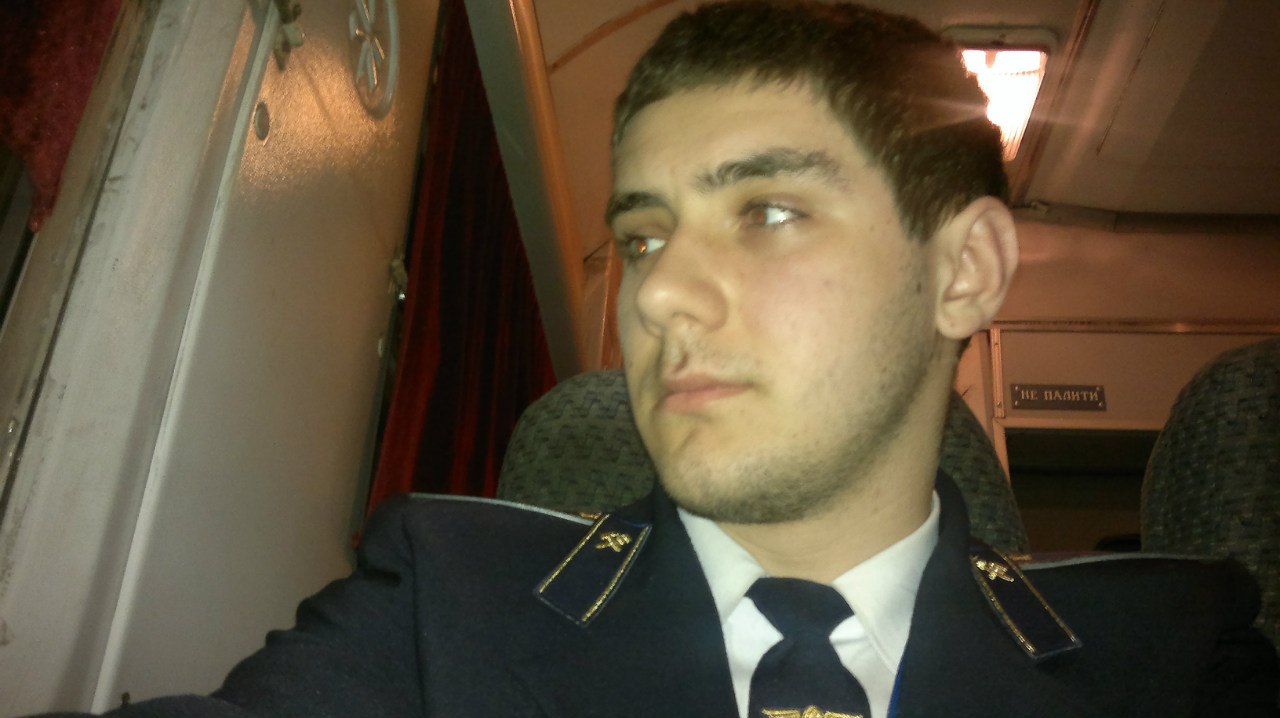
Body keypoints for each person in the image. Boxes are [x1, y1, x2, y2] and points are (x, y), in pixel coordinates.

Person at [32, 1, 1278, 716]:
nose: (658, 291)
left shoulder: (1169, 656)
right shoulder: (441, 601)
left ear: (963, 271)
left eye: (767, 210)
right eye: (641, 235)